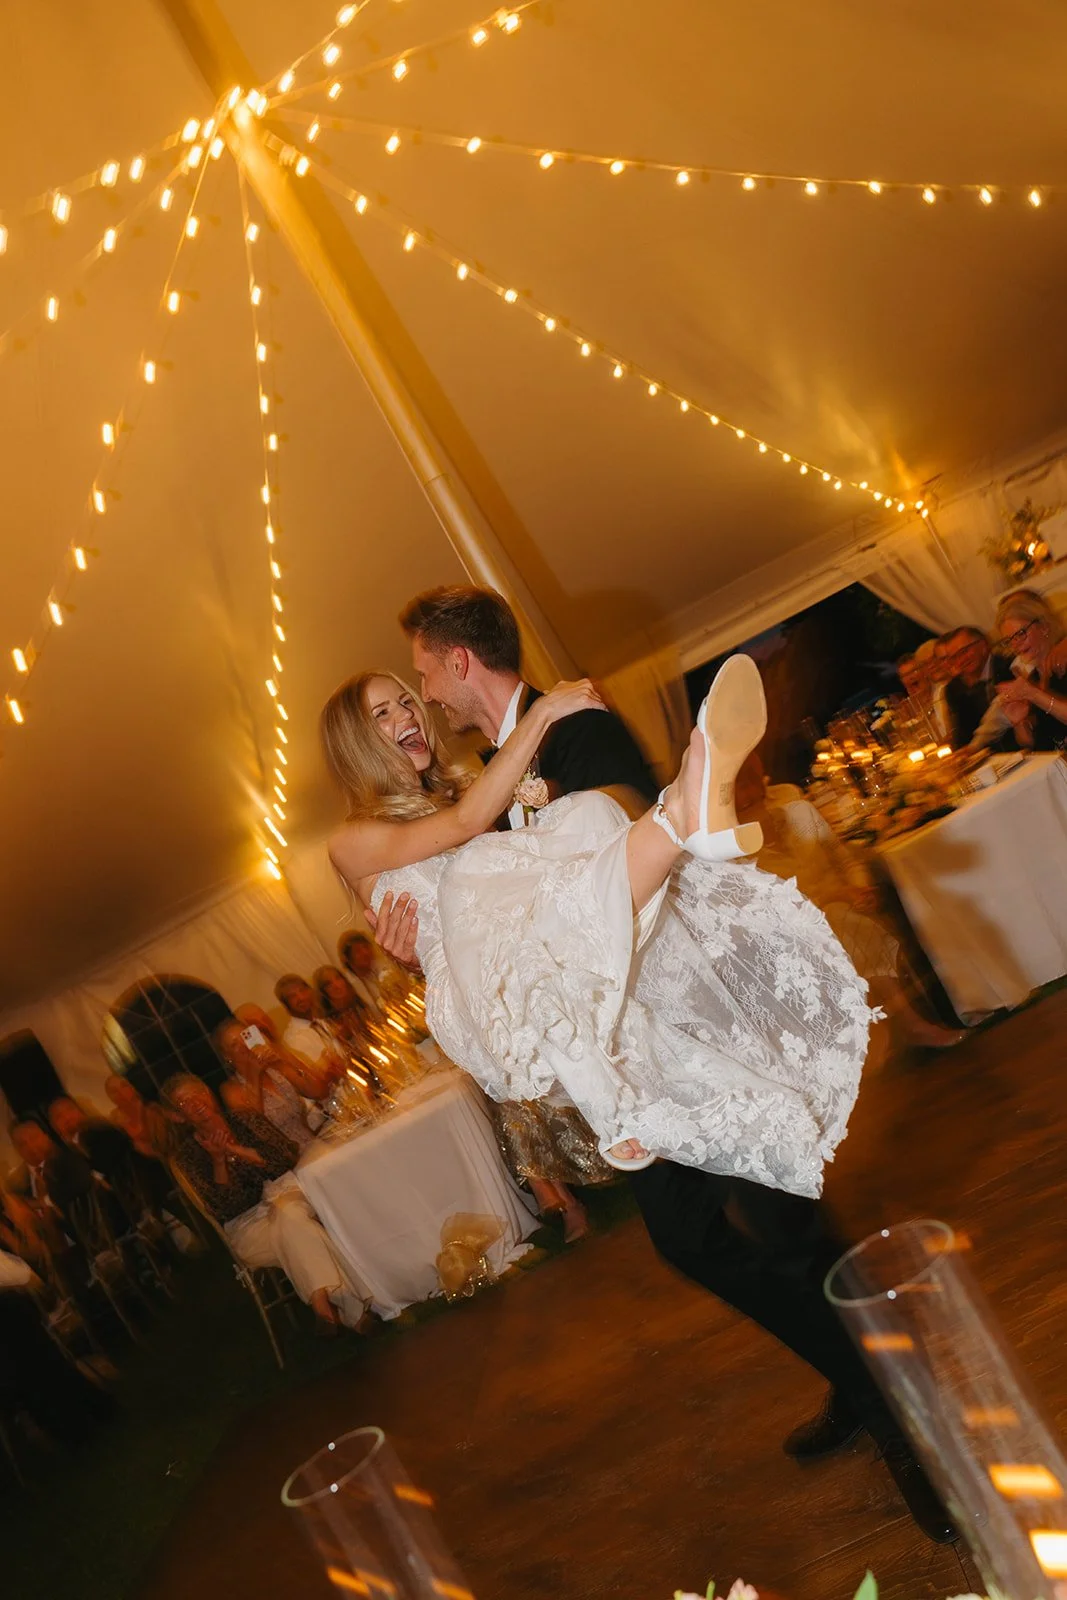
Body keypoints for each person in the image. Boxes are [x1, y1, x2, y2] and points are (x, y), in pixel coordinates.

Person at [356, 583, 953, 1544]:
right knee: (723, 1237)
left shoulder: (575, 730)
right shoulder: (499, 770)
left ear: (458, 661)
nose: (422, 691)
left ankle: (910, 1430)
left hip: (699, 1032)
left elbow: (623, 863)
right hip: (646, 1063)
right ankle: (864, 1380)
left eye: (422, 671)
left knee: (782, 1232)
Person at [165, 1074, 370, 1332]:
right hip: (248, 1227)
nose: (195, 1102)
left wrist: (238, 1151)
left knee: (289, 1215)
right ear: (178, 1116)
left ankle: (327, 1308)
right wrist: (218, 1162)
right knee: (298, 1226)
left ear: (208, 1092)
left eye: (197, 1092)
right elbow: (226, 1207)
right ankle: (353, 1311)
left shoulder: (245, 1119)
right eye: (183, 1102)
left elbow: (285, 1157)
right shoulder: (188, 1157)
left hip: (284, 1195)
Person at [0, 1246, 115, 1447]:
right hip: (14, 1315)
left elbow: (20, 1275)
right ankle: (85, 1419)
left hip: (11, 1316)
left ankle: (79, 1425)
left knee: (38, 1371)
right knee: (41, 1369)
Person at [214, 1018, 318, 1152]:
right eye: (234, 1044)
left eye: (245, 1038)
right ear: (227, 1056)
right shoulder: (231, 1089)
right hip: (290, 1162)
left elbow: (316, 1091)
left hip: (314, 1145)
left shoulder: (273, 1069)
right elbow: (256, 1127)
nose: (244, 1046)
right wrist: (254, 1075)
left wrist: (280, 1054)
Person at [992, 588, 1067, 751]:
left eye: (1020, 633)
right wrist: (1019, 723)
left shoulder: (1064, 660)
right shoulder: (1034, 676)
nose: (1015, 644)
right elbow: (1030, 744)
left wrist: (1033, 694)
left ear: (1044, 627)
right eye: (1009, 640)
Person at [939, 627, 1011, 750]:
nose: (961, 660)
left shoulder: (1008, 667)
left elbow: (1002, 715)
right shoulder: (954, 689)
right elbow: (961, 736)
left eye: (964, 651)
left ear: (983, 645)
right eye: (954, 657)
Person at [274, 974, 347, 1079]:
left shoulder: (321, 1022)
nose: (301, 997)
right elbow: (320, 1076)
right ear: (286, 1005)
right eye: (292, 996)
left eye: (302, 990)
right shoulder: (293, 1039)